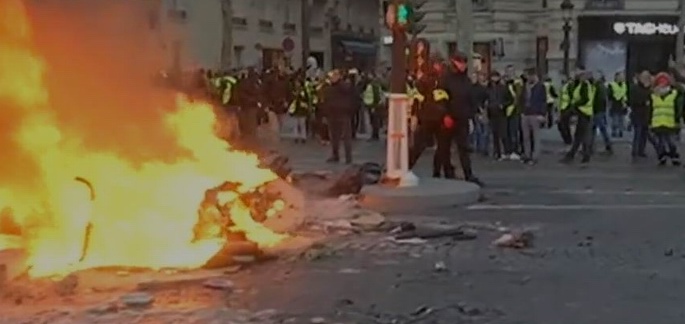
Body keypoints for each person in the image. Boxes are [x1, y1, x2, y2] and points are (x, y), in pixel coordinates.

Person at [441, 52, 483, 186]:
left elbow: (470, 98)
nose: (463, 65)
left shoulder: (466, 80)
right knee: (445, 147)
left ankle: (468, 174)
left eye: (464, 62)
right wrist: (445, 114)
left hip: (463, 118)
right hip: (449, 118)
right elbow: (441, 99)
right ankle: (447, 172)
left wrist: (473, 114)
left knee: (463, 148)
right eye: (460, 62)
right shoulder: (446, 79)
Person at [409, 70, 455, 178]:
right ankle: (441, 172)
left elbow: (416, 99)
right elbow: (447, 102)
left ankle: (408, 167)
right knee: (442, 147)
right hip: (435, 118)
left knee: (425, 146)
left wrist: (415, 115)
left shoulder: (425, 84)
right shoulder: (440, 84)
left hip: (430, 118)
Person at [321, 69, 355, 164]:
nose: (332, 77)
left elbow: (350, 92)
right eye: (332, 76)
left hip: (343, 113)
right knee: (334, 137)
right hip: (332, 114)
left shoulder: (344, 86)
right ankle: (335, 155)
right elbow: (325, 100)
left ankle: (348, 157)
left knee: (346, 137)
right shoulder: (328, 88)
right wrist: (325, 113)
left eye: (335, 75)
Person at [561, 70, 594, 164]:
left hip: (585, 112)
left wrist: (575, 104)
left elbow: (585, 99)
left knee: (582, 135)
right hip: (581, 112)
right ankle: (575, 154)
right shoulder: (580, 85)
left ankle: (583, 155)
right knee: (579, 135)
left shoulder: (585, 85)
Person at [649, 72, 682, 166]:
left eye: (664, 82)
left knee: (671, 142)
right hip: (657, 122)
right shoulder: (653, 95)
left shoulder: (674, 94)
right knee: (660, 142)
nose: (662, 85)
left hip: (670, 122)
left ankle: (674, 156)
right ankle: (662, 156)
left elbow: (677, 108)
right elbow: (650, 110)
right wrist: (649, 121)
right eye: (660, 82)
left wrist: (677, 120)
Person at [519, 69, 547, 165]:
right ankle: (527, 155)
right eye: (528, 76)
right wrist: (521, 111)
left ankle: (535, 156)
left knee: (536, 136)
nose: (529, 78)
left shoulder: (540, 87)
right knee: (525, 137)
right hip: (525, 113)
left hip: (535, 114)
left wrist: (542, 114)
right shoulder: (525, 87)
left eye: (531, 76)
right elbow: (521, 99)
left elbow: (543, 101)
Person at [629, 71, 656, 159]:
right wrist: (643, 102)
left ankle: (641, 151)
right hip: (638, 115)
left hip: (646, 115)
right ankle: (635, 151)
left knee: (644, 135)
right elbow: (633, 101)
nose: (646, 80)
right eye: (645, 78)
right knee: (638, 134)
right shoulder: (635, 88)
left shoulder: (648, 90)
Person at [485, 71, 508, 160]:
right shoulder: (488, 88)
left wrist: (503, 105)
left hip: (501, 113)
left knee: (502, 134)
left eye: (495, 77)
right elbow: (486, 98)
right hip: (492, 113)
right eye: (492, 77)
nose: (494, 79)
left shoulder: (502, 88)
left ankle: (504, 151)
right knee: (494, 134)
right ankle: (497, 152)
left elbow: (508, 99)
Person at [590, 72, 612, 154]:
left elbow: (599, 99)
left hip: (597, 110)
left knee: (598, 128)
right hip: (599, 110)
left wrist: (594, 109)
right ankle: (590, 145)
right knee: (595, 128)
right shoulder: (600, 86)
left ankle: (607, 144)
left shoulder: (598, 87)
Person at [288, 79, 311, 143]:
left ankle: (303, 137)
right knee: (295, 124)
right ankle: (296, 136)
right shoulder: (293, 91)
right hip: (295, 109)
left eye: (298, 82)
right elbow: (290, 98)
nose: (297, 84)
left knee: (302, 124)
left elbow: (306, 99)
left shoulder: (303, 91)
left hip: (302, 109)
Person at [361, 74, 384, 141]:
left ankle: (375, 135)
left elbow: (376, 96)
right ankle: (374, 134)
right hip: (371, 105)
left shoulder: (373, 86)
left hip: (373, 105)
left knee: (374, 121)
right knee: (373, 120)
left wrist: (374, 106)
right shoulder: (373, 86)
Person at [608, 71, 628, 138]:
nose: (622, 78)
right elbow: (609, 95)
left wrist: (626, 103)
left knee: (621, 120)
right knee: (615, 120)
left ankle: (620, 132)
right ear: (616, 77)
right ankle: (614, 132)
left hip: (622, 104)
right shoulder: (612, 85)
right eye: (620, 76)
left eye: (622, 77)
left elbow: (625, 94)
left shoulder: (624, 85)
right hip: (615, 104)